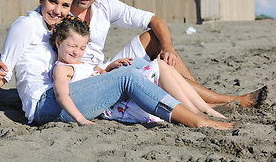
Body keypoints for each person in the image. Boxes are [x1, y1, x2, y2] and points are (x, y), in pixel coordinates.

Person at [0, 0, 233, 130]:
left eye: (65, 5)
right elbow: (0, 74)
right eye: (52, 2)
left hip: (67, 94)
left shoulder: (57, 29)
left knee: (132, 73)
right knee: (128, 78)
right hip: (45, 106)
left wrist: (103, 71)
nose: (58, 10)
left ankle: (198, 111)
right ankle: (199, 120)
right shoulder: (26, 25)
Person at [0, 0, 267, 109]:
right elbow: (24, 37)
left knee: (158, 43)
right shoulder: (57, 10)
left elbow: (155, 19)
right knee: (157, 68)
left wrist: (168, 47)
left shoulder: (106, 6)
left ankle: (203, 95)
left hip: (106, 65)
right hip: (82, 78)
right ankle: (229, 100)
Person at [49, 15, 227, 126]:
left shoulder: (80, 64)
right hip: (112, 105)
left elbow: (98, 79)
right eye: (72, 46)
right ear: (58, 43)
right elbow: (62, 95)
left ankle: (203, 108)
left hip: (115, 94)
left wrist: (110, 68)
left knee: (160, 66)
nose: (76, 52)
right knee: (158, 67)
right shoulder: (62, 69)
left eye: (81, 48)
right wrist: (80, 120)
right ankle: (197, 112)